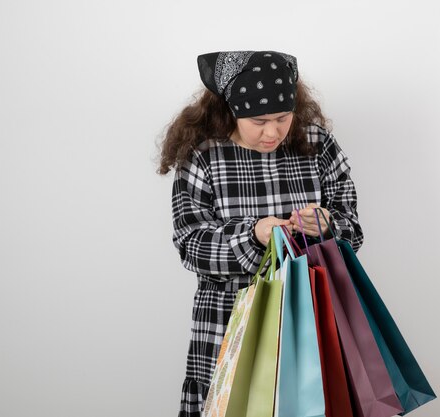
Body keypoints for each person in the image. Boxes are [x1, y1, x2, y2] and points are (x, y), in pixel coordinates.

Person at [156, 50, 364, 417]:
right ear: (230, 111)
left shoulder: (316, 144)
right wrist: (253, 235)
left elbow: (353, 230)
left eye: (283, 118)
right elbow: (191, 245)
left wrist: (328, 225)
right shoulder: (203, 157)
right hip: (229, 322)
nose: (273, 132)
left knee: (314, 405)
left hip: (311, 318)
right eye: (259, 121)